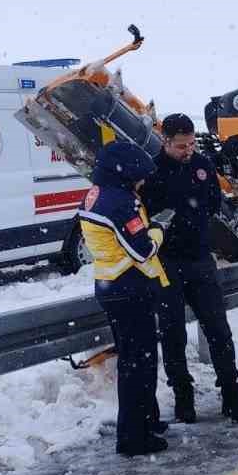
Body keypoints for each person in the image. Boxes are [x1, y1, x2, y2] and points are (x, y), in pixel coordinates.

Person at [140, 113, 238, 424]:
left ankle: (231, 394)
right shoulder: (152, 170)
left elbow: (214, 202)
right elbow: (148, 215)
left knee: (218, 329)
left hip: (200, 258)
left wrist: (195, 215)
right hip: (167, 262)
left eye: (190, 144)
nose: (187, 150)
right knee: (172, 333)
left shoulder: (202, 164)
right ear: (165, 141)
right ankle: (183, 397)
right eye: (180, 146)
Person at [77, 141, 170, 455]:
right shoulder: (119, 201)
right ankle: (133, 437)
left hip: (112, 286)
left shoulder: (96, 193)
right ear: (126, 174)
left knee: (135, 360)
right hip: (129, 288)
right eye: (139, 176)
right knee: (137, 364)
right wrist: (158, 230)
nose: (143, 182)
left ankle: (146, 421)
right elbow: (141, 249)